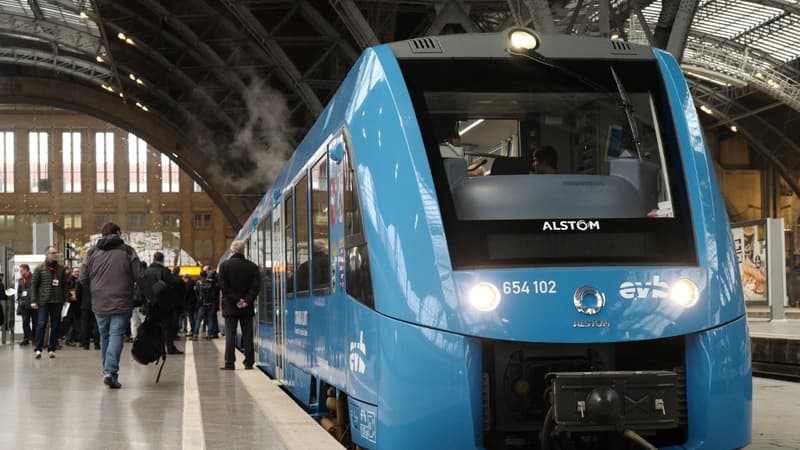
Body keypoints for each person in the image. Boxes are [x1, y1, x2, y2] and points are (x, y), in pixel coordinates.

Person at [80, 222, 144, 389]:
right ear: (118, 233)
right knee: (116, 335)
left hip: (99, 302)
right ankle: (110, 372)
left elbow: (83, 278)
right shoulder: (128, 251)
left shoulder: (91, 252)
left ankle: (108, 372)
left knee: (104, 336)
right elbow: (139, 276)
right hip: (121, 301)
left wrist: (96, 287)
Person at [218, 240, 259, 370]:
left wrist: (236, 300)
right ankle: (249, 362)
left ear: (232, 250)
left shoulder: (224, 266)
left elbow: (223, 286)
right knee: (248, 335)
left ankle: (230, 363)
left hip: (230, 306)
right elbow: (256, 286)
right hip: (246, 307)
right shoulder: (252, 266)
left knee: (230, 335)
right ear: (243, 250)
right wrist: (246, 300)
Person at [31, 245, 70, 359]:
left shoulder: (61, 269)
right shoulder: (39, 269)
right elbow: (34, 286)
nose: (55, 255)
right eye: (53, 253)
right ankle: (38, 349)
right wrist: (33, 300)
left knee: (55, 325)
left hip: (57, 301)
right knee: (41, 323)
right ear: (47, 255)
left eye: (56, 253)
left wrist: (66, 299)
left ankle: (52, 348)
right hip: (43, 301)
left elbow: (65, 286)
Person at [142, 252, 184, 355]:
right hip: (164, 305)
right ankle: (170, 347)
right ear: (162, 259)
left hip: (150, 304)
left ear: (153, 258)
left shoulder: (146, 272)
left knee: (153, 327)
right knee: (168, 327)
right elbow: (173, 284)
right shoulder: (164, 271)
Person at [193, 266, 220, 341]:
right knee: (210, 319)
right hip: (211, 304)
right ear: (206, 275)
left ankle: (195, 334)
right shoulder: (211, 283)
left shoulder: (198, 283)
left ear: (200, 275)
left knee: (198, 319)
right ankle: (209, 335)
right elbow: (215, 292)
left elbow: (196, 293)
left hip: (202, 304)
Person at [17, 264, 37, 346]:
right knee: (25, 322)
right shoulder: (20, 280)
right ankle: (26, 338)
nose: (20, 272)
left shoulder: (34, 278)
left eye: (21, 270)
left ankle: (34, 338)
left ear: (26, 270)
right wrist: (19, 300)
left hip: (33, 304)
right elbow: (19, 291)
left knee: (35, 322)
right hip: (23, 305)